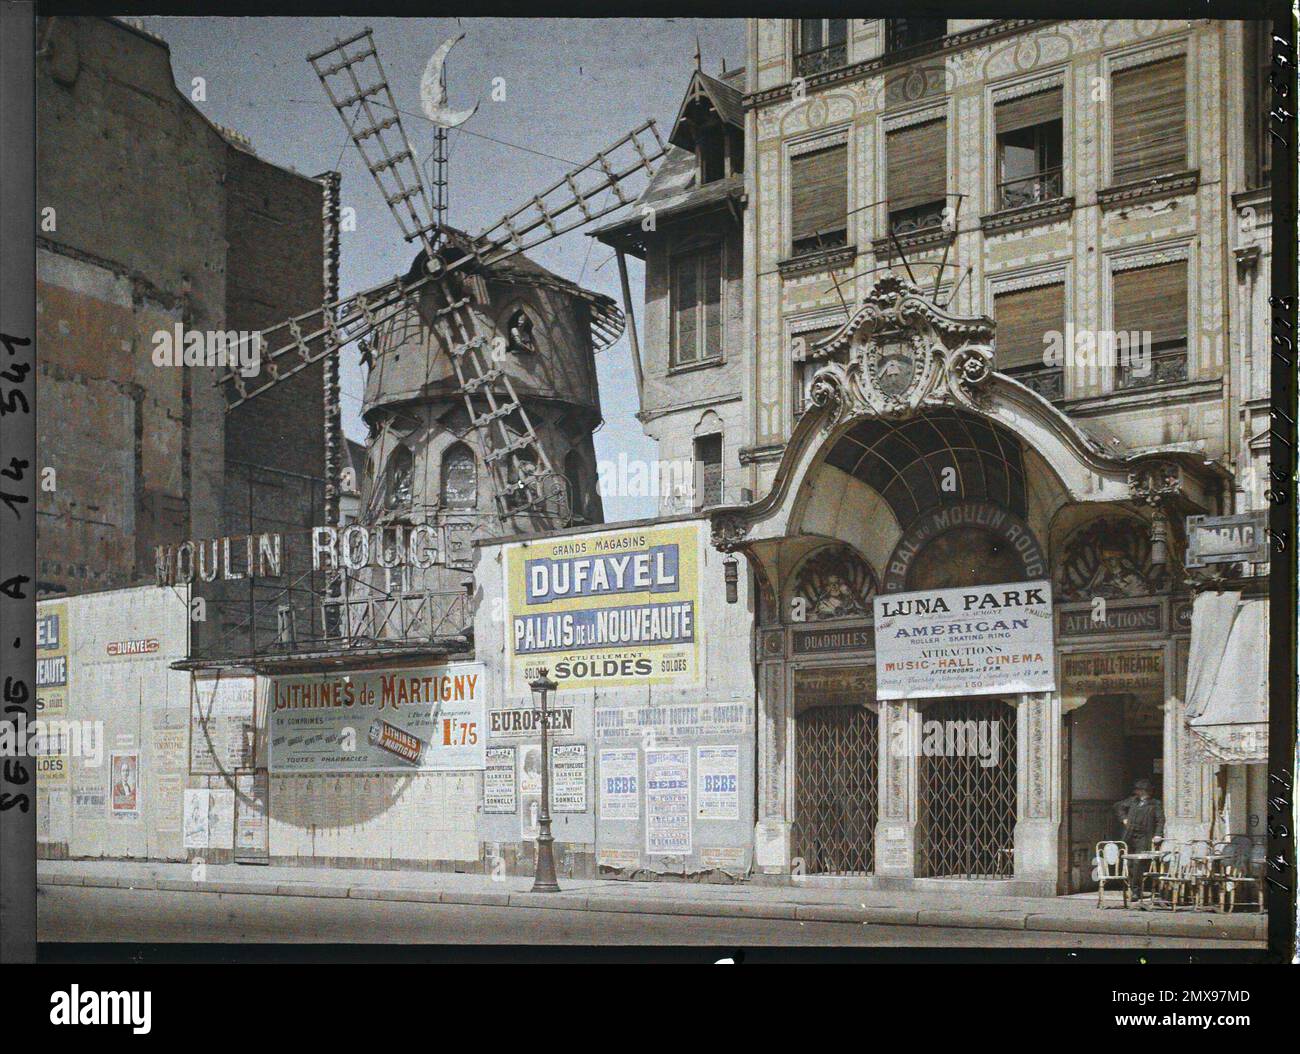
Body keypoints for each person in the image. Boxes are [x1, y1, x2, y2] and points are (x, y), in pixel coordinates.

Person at [1114, 778, 1165, 896]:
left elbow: (1160, 820)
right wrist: (1124, 819)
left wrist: (1158, 834)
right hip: (1130, 834)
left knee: (1138, 863)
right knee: (1130, 862)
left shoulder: (1155, 804)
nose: (1137, 792)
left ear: (1145, 791)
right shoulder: (1133, 801)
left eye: (1139, 790)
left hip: (1144, 836)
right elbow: (1118, 807)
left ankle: (1136, 890)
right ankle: (1131, 887)